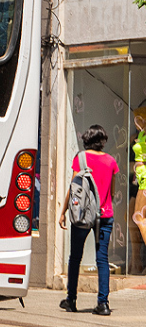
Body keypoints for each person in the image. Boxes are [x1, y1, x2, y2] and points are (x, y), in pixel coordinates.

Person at [58, 124, 119, 315]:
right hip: (105, 215)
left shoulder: (81, 158)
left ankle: (71, 300)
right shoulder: (111, 161)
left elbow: (74, 187)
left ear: (86, 139)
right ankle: (103, 304)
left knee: (75, 257)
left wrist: (63, 211)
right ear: (102, 141)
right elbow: (113, 190)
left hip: (83, 215)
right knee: (102, 259)